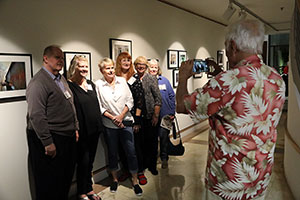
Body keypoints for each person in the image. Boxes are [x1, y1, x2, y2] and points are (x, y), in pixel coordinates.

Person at [176, 19, 286, 200]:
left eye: (226, 47)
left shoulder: (225, 81)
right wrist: (220, 73)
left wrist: (183, 77)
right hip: (260, 175)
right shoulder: (276, 78)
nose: (226, 53)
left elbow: (182, 105)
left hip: (228, 181)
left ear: (233, 46)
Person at [26, 45, 79, 200]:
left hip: (66, 136)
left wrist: (75, 127)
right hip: (52, 138)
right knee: (49, 183)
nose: (60, 61)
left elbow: (70, 104)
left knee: (64, 179)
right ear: (46, 58)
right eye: (57, 57)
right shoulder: (38, 82)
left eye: (62, 58)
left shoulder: (60, 78)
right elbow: (36, 115)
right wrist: (48, 142)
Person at [95, 57, 143, 196]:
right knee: (112, 153)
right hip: (109, 125)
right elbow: (99, 106)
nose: (110, 70)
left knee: (131, 152)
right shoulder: (98, 84)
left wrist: (121, 116)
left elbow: (130, 100)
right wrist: (113, 119)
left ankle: (135, 181)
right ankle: (114, 180)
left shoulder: (122, 81)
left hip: (126, 121)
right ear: (101, 71)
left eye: (111, 67)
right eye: (107, 68)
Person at [67, 55, 103, 200]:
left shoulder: (90, 84)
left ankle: (89, 189)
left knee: (90, 162)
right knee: (83, 162)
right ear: (74, 67)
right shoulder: (69, 86)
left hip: (94, 129)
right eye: (80, 66)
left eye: (86, 66)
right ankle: (81, 192)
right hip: (82, 131)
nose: (84, 69)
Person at [115, 52, 148, 185]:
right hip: (118, 118)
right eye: (124, 60)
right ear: (119, 62)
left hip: (133, 118)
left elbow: (140, 101)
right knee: (122, 148)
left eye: (129, 60)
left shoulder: (134, 79)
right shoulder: (114, 78)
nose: (127, 62)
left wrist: (138, 121)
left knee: (136, 147)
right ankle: (126, 170)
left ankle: (139, 171)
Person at [134, 56, 162, 175]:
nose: (140, 66)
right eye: (138, 64)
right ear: (135, 66)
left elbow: (158, 98)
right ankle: (143, 165)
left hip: (151, 116)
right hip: (139, 117)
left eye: (143, 64)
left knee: (152, 142)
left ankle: (152, 166)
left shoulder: (151, 78)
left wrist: (156, 115)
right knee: (140, 143)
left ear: (146, 67)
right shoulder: (132, 79)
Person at [148, 58, 176, 169]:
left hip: (165, 115)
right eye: (151, 67)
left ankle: (164, 158)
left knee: (164, 138)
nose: (154, 69)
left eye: (156, 67)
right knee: (153, 139)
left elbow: (171, 96)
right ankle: (152, 160)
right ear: (148, 68)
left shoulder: (164, 80)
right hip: (151, 116)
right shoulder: (145, 81)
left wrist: (172, 112)